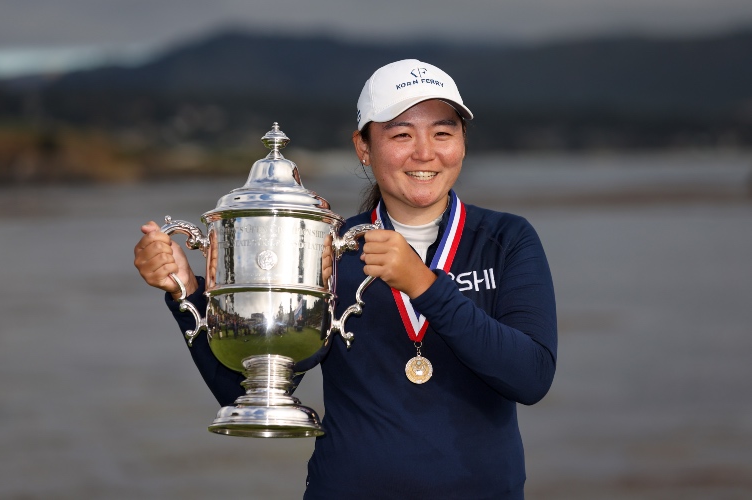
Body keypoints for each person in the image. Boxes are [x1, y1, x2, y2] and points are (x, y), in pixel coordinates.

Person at [134, 59, 557, 499]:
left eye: (443, 132)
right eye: (401, 134)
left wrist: (425, 285)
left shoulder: (507, 240)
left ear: (463, 143)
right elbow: (251, 389)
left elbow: (530, 378)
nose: (425, 152)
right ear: (363, 147)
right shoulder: (326, 247)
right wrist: (186, 294)